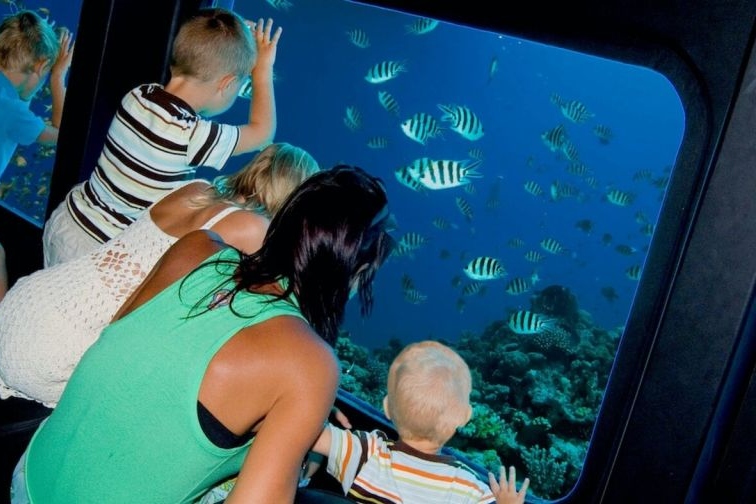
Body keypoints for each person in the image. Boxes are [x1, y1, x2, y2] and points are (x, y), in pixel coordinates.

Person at [11, 165, 396, 503]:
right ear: (354, 275)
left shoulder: (197, 248)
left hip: (28, 475)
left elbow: (124, 349)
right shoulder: (310, 365)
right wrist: (301, 410)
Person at [0, 142, 319, 408]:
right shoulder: (254, 228)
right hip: (60, 346)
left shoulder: (194, 188)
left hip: (27, 302)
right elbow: (285, 302)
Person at [42, 7, 281, 267]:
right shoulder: (191, 136)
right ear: (226, 83)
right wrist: (262, 71)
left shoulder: (138, 96)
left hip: (67, 220)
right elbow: (263, 133)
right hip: (98, 252)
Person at [311, 340, 530, 504]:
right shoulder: (468, 488)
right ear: (463, 417)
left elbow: (307, 432)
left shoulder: (365, 453)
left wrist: (327, 407)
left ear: (387, 407)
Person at [0, 9, 74, 177]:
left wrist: (26, 95)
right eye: (48, 71)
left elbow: (21, 96)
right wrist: (57, 78)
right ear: (41, 67)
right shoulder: (13, 112)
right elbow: (61, 135)